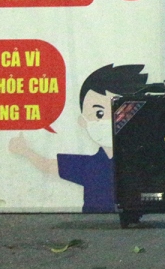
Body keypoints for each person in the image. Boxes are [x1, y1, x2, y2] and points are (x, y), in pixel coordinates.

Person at [9, 64, 148, 213]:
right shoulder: (91, 165)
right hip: (93, 224)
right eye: (99, 113)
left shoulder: (140, 160)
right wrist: (24, 151)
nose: (108, 119)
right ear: (83, 121)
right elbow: (48, 166)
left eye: (118, 111)